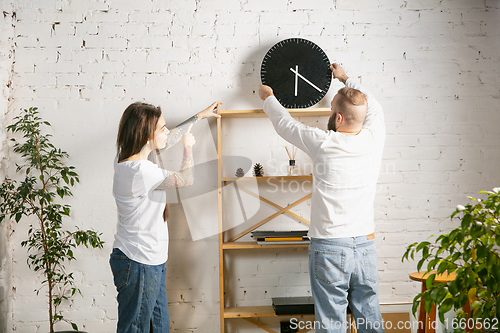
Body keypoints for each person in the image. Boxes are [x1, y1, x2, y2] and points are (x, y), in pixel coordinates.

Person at [258, 63, 385, 333]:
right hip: (365, 244)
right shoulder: (375, 138)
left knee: (331, 320)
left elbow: (285, 124)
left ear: (338, 118)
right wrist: (346, 78)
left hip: (329, 246)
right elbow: (372, 104)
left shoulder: (324, 142)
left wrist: (268, 97)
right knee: (369, 315)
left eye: (332, 110)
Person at [109, 101, 221, 333]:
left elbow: (167, 140)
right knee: (136, 329)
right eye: (162, 127)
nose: (167, 132)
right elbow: (185, 179)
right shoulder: (141, 171)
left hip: (150, 261)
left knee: (158, 327)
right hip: (138, 262)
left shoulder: (128, 160)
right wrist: (188, 147)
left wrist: (198, 116)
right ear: (146, 135)